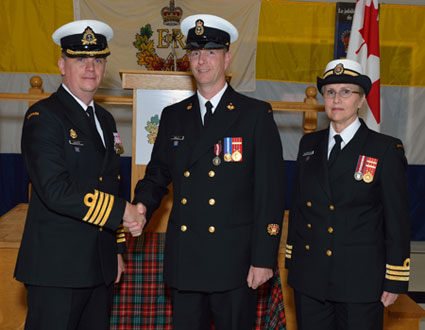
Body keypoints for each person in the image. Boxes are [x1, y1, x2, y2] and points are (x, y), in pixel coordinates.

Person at [132, 14, 285, 330]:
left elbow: (270, 193)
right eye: (195, 53)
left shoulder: (254, 115)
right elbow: (158, 172)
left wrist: (264, 258)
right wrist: (142, 205)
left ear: (227, 58)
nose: (202, 61)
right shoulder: (174, 115)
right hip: (187, 258)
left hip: (234, 261)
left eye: (211, 52)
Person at [14, 20, 145, 330]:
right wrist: (120, 212)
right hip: (57, 270)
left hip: (98, 267)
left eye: (98, 59)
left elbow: (111, 183)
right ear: (62, 65)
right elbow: (55, 190)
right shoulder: (44, 116)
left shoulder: (106, 120)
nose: (91, 67)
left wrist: (115, 249)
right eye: (80, 59)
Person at [285, 59, 411, 330]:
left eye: (346, 92)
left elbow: (397, 220)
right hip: (310, 277)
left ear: (361, 99)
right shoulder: (309, 144)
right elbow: (298, 207)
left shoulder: (385, 149)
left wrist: (395, 278)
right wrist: (291, 258)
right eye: (330, 92)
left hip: (360, 281)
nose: (336, 99)